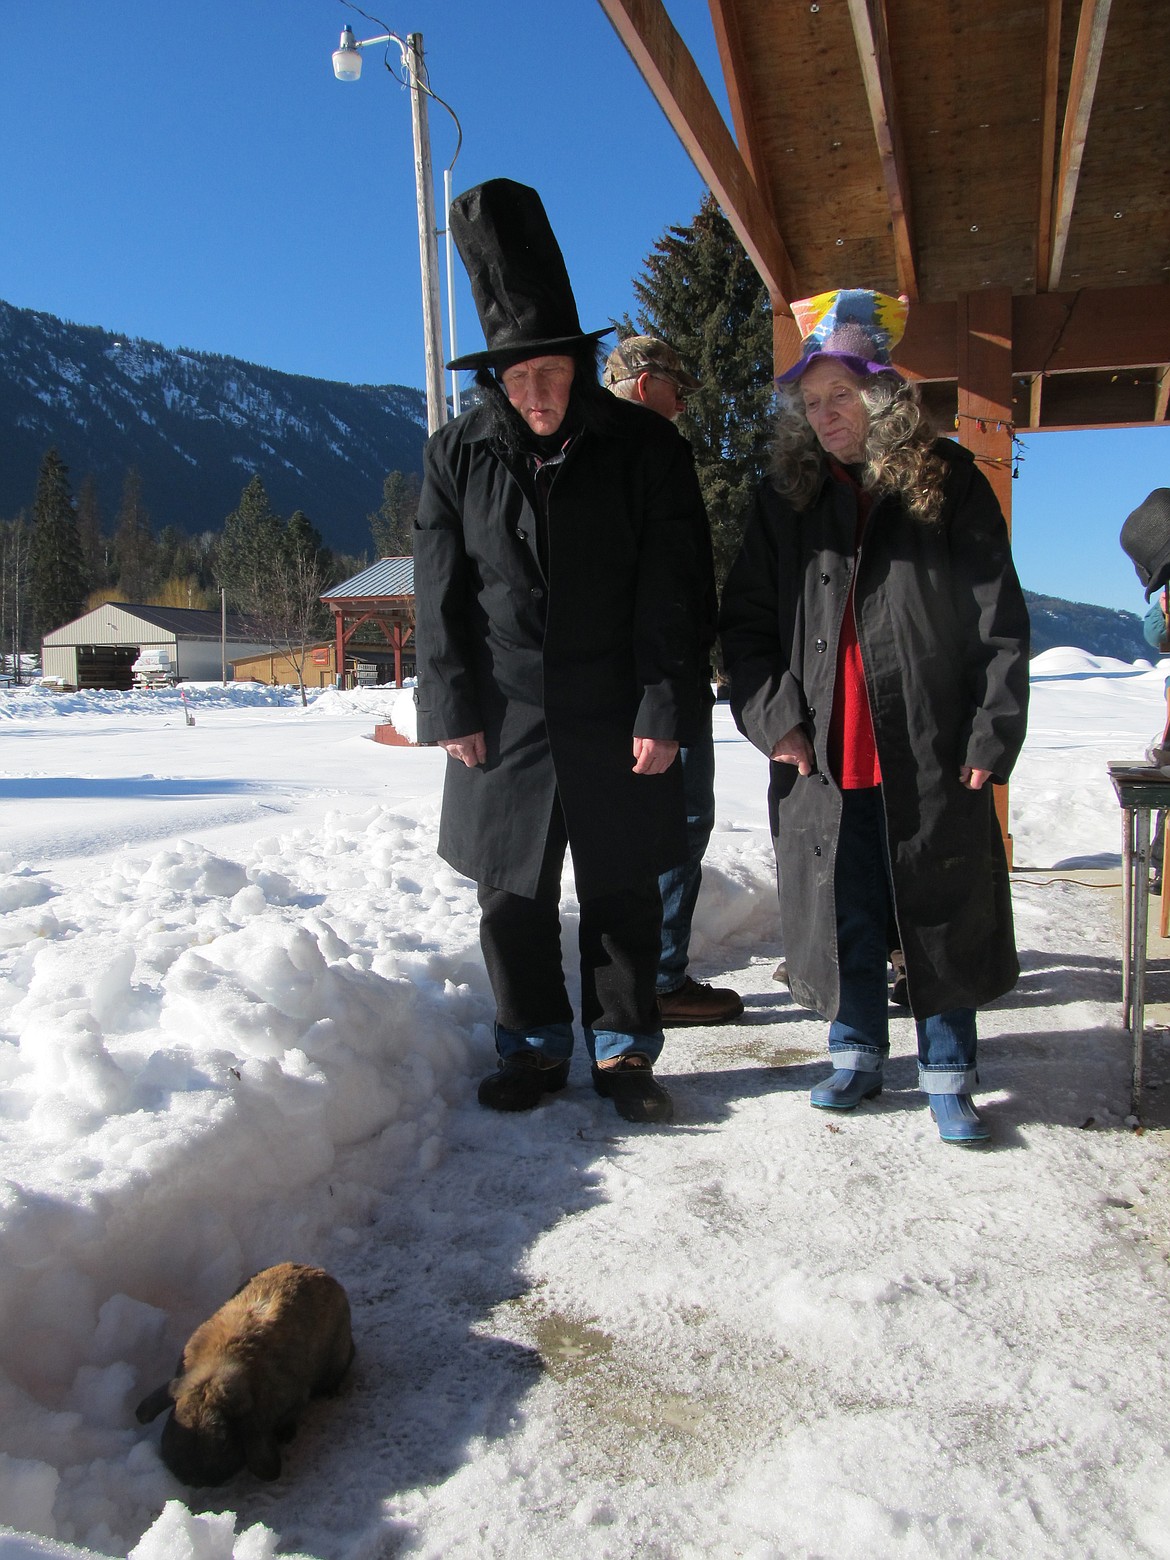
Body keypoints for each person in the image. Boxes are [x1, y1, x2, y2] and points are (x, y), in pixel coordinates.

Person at [413, 180, 715, 1125]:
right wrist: (450, 704)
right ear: (494, 380)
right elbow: (440, 594)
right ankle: (534, 1047)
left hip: (621, 705)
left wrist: (666, 710)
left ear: (580, 367)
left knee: (623, 884)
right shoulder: (455, 455)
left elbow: (677, 595)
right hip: (505, 710)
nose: (536, 394)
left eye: (550, 371)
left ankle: (624, 1050)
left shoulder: (646, 452)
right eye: (517, 377)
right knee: (511, 893)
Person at [719, 288, 1030, 1144]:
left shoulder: (949, 485)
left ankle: (949, 1069)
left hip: (926, 742)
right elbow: (743, 627)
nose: (824, 416)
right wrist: (774, 717)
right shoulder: (782, 500)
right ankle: (854, 1049)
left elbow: (998, 621)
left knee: (937, 897)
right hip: (822, 747)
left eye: (840, 397)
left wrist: (991, 730)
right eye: (812, 402)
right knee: (841, 901)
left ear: (882, 397)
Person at [603, 335, 744, 1026]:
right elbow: (664, 582)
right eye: (675, 384)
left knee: (652, 830)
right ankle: (657, 981)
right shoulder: (646, 451)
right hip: (661, 685)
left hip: (649, 679)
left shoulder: (604, 453)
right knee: (678, 824)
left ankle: (642, 979)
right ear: (640, 382)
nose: (685, 398)